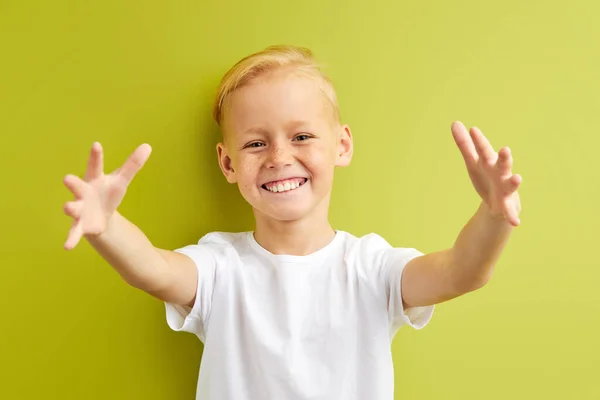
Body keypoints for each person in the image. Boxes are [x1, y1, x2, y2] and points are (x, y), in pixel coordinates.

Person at [62, 45, 522, 400]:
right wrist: (107, 228)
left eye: (302, 136)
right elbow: (155, 270)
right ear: (227, 164)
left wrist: (494, 216)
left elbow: (460, 272)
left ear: (341, 145)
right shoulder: (220, 265)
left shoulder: (371, 267)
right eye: (255, 144)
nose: (280, 157)